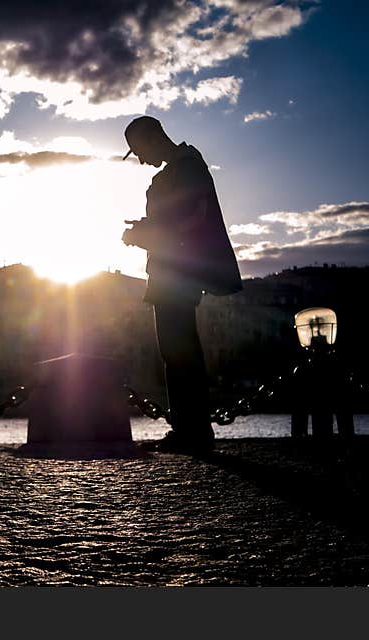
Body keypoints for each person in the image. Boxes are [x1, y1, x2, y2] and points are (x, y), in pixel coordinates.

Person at [121, 116, 242, 454]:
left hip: (177, 273)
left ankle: (193, 431)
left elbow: (192, 220)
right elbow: (179, 219)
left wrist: (143, 234)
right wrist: (144, 229)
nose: (141, 159)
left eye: (139, 150)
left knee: (180, 350)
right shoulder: (176, 170)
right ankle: (189, 428)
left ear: (153, 138)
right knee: (175, 350)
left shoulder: (186, 166)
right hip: (170, 270)